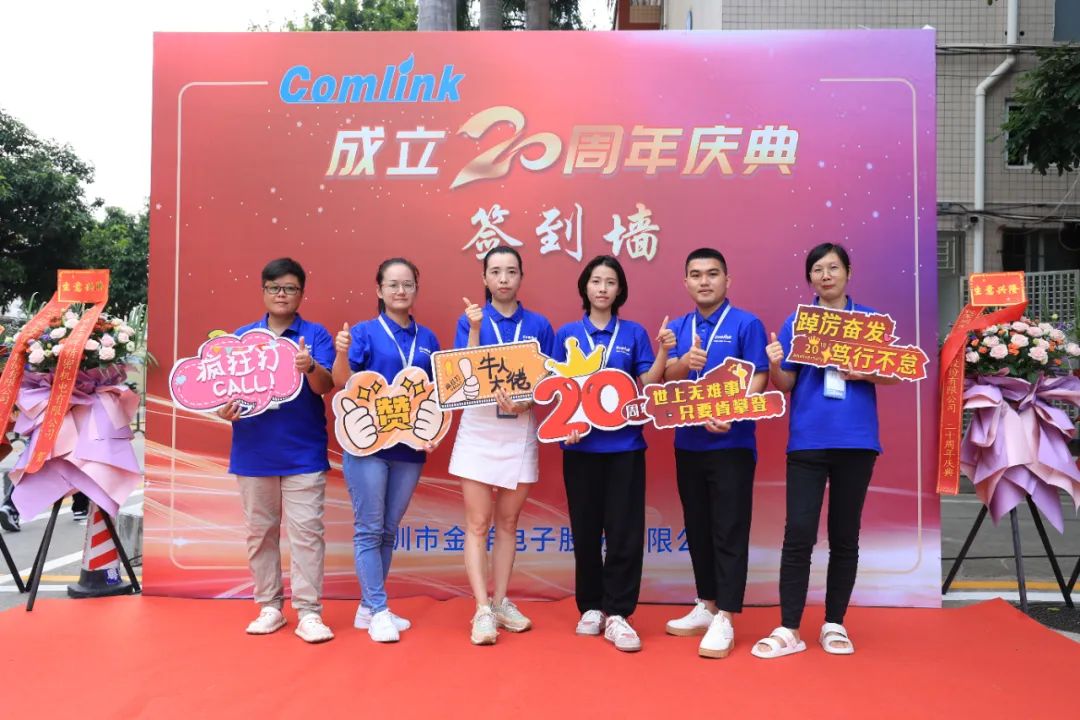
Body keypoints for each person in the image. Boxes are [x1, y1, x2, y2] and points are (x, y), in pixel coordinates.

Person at [752, 243, 896, 659]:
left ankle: (835, 623)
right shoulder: (797, 322)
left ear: (848, 272)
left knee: (845, 535)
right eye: (818, 269)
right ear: (809, 278)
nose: (826, 275)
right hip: (808, 440)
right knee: (798, 534)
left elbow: (895, 374)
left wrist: (865, 372)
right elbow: (786, 384)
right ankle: (789, 628)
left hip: (857, 440)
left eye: (833, 267)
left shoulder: (868, 321)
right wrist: (776, 363)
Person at [553, 255, 674, 653]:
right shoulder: (567, 333)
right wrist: (565, 427)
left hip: (625, 446)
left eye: (610, 282)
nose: (602, 288)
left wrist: (662, 352)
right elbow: (556, 390)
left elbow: (647, 382)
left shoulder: (633, 332)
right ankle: (591, 607)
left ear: (620, 289)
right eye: (596, 281)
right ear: (584, 287)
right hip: (581, 448)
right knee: (585, 530)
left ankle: (619, 612)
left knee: (624, 532)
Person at [217, 257, 336, 643]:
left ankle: (309, 612)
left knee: (307, 534)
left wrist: (310, 366)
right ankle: (269, 606)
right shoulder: (241, 339)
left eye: (290, 288)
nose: (282, 294)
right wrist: (223, 410)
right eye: (274, 288)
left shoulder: (314, 335)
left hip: (304, 453)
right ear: (264, 291)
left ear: (301, 293)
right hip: (253, 453)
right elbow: (223, 393)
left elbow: (325, 386)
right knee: (260, 534)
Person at [662, 247, 769, 659]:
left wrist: (733, 411)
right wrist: (682, 361)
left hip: (731, 444)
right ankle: (706, 605)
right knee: (698, 527)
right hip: (688, 444)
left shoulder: (746, 323)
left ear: (727, 280)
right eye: (696, 274)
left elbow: (759, 375)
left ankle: (726, 614)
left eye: (712, 274)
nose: (704, 281)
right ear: (685, 282)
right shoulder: (678, 327)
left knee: (729, 529)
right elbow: (665, 378)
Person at [331, 257, 444, 643]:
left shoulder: (428, 339)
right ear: (379, 290)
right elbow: (342, 383)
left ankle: (368, 609)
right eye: (393, 284)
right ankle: (379, 609)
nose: (400, 290)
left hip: (409, 448)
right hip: (369, 446)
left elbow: (435, 396)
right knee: (369, 528)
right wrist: (342, 352)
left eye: (407, 284)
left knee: (388, 530)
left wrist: (434, 430)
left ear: (416, 290)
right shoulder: (364, 333)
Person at [447, 246, 555, 646]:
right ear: (485, 278)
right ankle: (481, 609)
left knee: (508, 523)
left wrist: (528, 402)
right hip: (478, 429)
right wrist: (475, 328)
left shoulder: (539, 324)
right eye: (495, 271)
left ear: (521, 277)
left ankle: (501, 601)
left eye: (511, 271)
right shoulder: (470, 319)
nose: (504, 278)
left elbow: (550, 381)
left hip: (519, 429)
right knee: (478, 523)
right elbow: (462, 375)